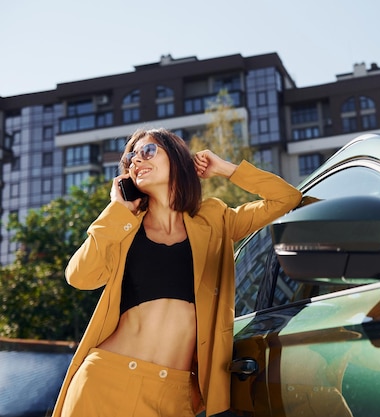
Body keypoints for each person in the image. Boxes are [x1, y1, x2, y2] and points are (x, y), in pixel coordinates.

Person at [52, 127, 302, 417]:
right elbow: (80, 276)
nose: (135, 161)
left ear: (177, 159)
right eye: (131, 158)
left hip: (174, 393)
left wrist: (225, 169)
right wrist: (116, 209)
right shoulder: (124, 226)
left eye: (147, 151)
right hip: (106, 378)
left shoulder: (215, 219)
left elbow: (286, 198)